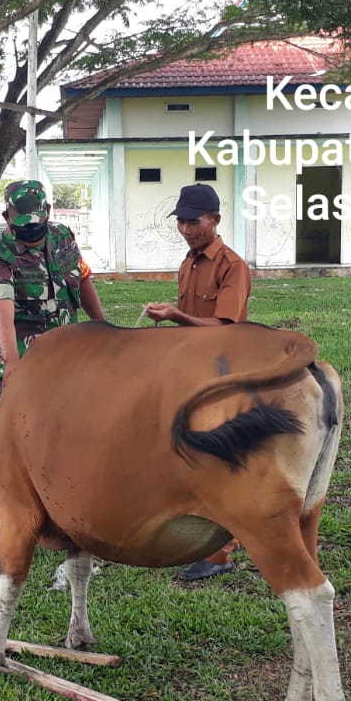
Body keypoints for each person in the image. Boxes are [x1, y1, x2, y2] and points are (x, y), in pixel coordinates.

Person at [145, 183, 254, 581]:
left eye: (194, 222)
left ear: (215, 220)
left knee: (220, 463)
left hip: (221, 375)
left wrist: (176, 317)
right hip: (189, 373)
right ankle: (193, 534)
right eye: (181, 222)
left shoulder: (233, 267)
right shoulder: (188, 262)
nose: (186, 230)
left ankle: (222, 551)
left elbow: (223, 327)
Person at [0, 180, 106, 388]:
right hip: (26, 359)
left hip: (70, 354)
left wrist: (102, 326)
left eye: (36, 223)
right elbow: (1, 311)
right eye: (24, 225)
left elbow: (82, 278)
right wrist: (11, 361)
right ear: (7, 217)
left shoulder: (62, 236)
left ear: (47, 211)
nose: (31, 230)